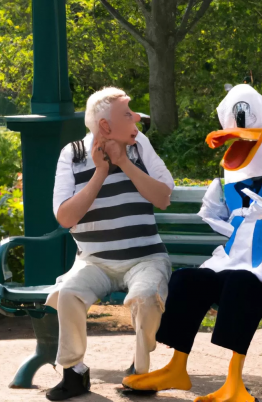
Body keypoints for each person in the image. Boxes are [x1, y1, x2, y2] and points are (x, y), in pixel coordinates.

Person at [122, 84, 262, 402]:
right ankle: (177, 367)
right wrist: (217, 218)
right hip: (239, 260)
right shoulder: (234, 179)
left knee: (240, 283)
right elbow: (240, 230)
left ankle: (235, 382)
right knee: (188, 279)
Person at [45, 87, 174, 400]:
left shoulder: (139, 145)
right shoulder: (72, 154)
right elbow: (65, 217)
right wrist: (101, 171)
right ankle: (74, 372)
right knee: (68, 293)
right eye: (128, 114)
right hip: (94, 260)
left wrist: (124, 163)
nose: (136, 119)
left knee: (145, 297)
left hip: (146, 258)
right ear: (105, 126)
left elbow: (163, 197)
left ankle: (140, 374)